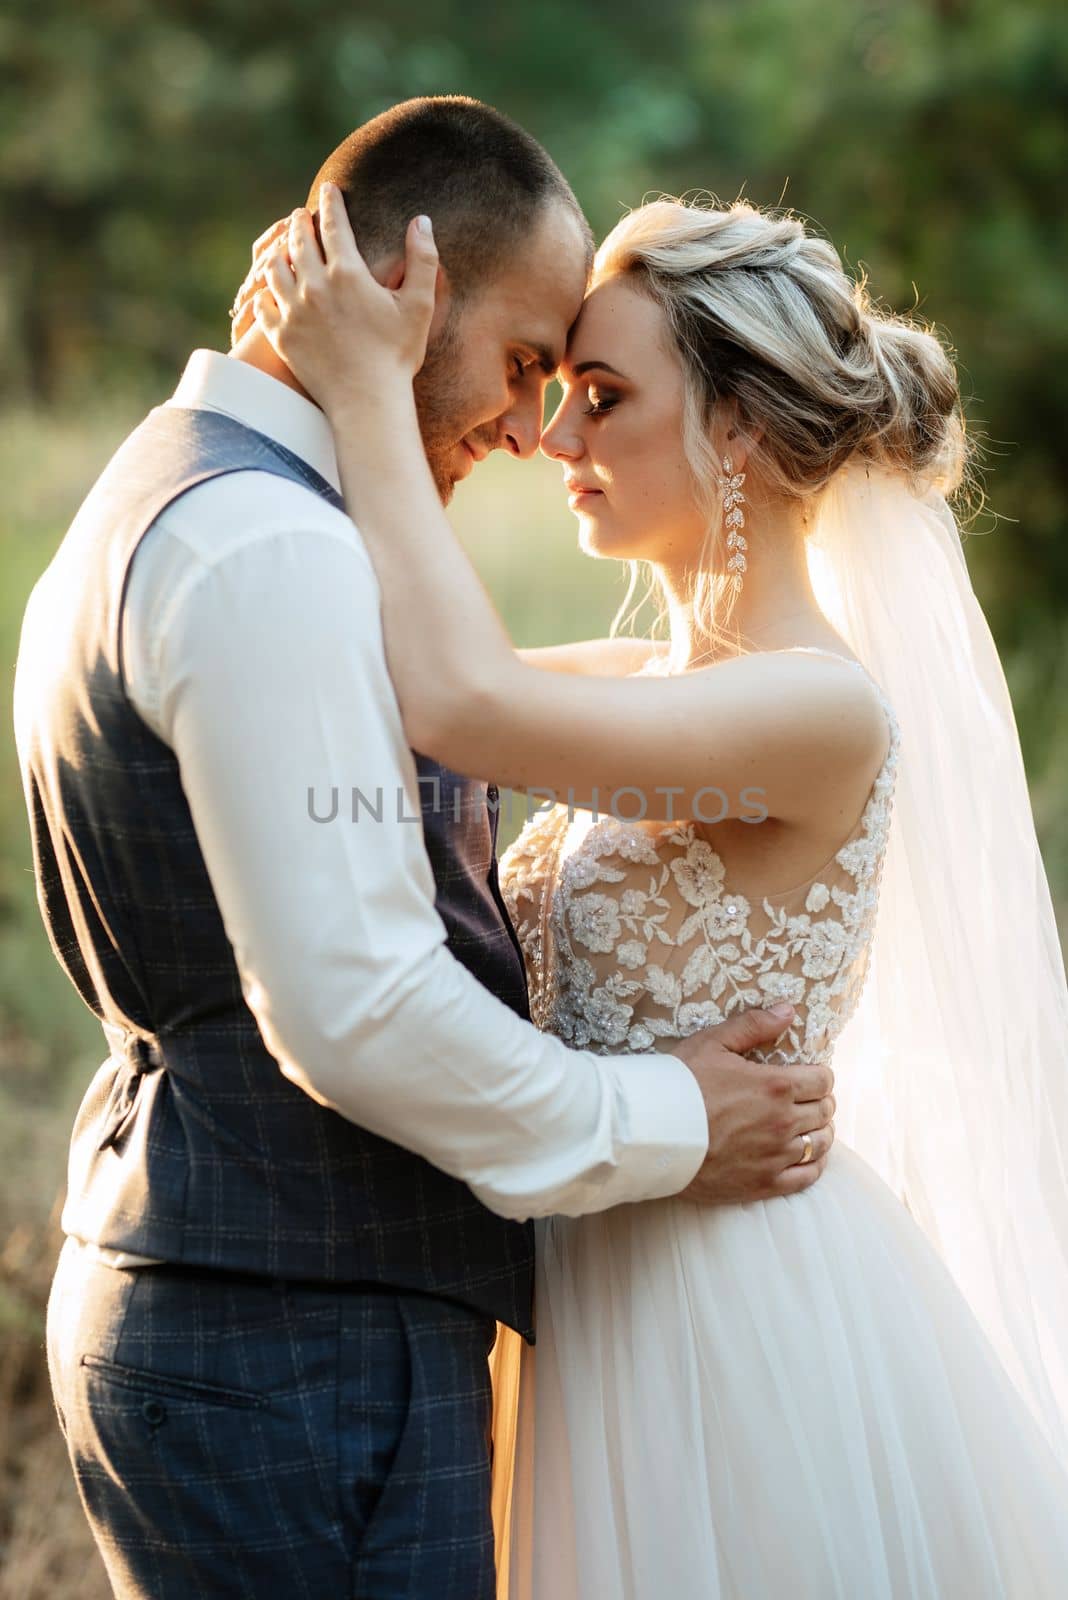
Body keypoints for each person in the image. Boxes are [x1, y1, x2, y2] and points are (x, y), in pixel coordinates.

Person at [13, 99, 836, 1600]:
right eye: (529, 367)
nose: (535, 432)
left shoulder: (181, 491)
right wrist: (670, 1118)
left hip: (268, 1309)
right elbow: (359, 1009)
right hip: (295, 1343)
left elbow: (507, 703)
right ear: (404, 290)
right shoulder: (270, 550)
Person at [248, 182, 1068, 1595]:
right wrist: (295, 389)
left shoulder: (821, 715)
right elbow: (388, 687)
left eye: (603, 396)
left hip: (727, 1317)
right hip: (590, 1289)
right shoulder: (651, 686)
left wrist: (371, 385)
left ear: (738, 427)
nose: (554, 439)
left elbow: (457, 698)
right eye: (558, 392)